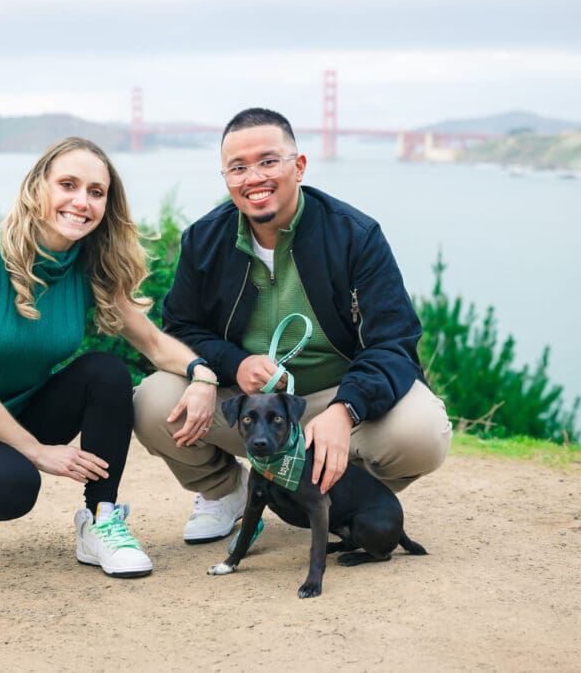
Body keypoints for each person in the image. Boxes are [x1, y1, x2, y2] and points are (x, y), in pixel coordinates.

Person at [133, 108, 452, 544]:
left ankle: (340, 496)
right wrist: (232, 364)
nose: (254, 178)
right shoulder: (203, 240)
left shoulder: (356, 235)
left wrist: (347, 409)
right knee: (151, 402)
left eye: (268, 161)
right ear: (225, 178)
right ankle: (226, 493)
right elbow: (180, 328)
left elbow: (394, 343)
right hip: (250, 406)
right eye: (238, 168)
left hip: (340, 398)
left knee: (424, 432)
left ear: (298, 167)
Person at [0, 137, 219, 576]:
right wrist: (39, 453)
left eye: (96, 192)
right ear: (38, 188)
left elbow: (150, 342)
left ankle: (100, 520)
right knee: (13, 488)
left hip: (25, 407)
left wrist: (202, 374)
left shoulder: (89, 260)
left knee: (106, 372)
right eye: (68, 185)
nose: (81, 202)